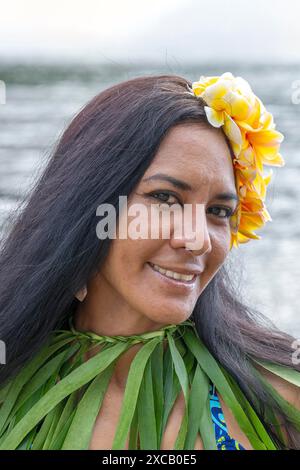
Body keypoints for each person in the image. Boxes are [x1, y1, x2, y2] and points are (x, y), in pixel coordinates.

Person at [0, 72, 299, 450]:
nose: (198, 240)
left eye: (219, 210)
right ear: (87, 206)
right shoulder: (10, 394)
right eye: (166, 198)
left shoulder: (280, 401)